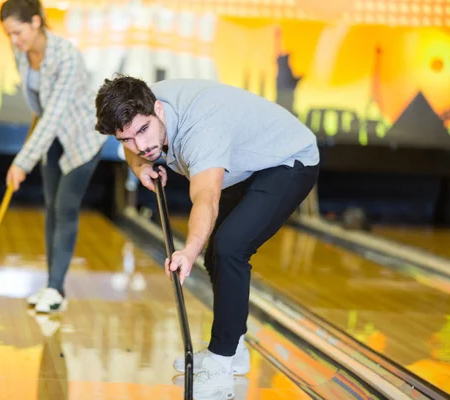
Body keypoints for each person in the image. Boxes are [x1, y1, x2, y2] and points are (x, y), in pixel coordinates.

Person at [94, 76, 319, 399]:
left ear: (157, 108)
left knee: (230, 248)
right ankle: (233, 350)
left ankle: (222, 364)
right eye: (127, 139)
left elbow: (206, 198)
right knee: (218, 251)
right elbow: (132, 142)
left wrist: (188, 251)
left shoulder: (201, 129)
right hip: (246, 164)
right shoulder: (140, 110)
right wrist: (138, 167)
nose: (141, 146)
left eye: (144, 131)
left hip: (287, 161)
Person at [0, 0, 107, 313]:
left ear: (36, 22)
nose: (14, 41)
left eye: (18, 32)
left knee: (65, 206)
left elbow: (56, 113)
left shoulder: (66, 57)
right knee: (51, 206)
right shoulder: (21, 51)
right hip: (53, 137)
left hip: (82, 137)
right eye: (9, 35)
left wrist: (22, 162)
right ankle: (50, 285)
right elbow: (41, 105)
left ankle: (57, 289)